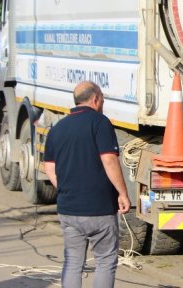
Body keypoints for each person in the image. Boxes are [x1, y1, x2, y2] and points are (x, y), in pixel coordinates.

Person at [43, 81, 131, 288]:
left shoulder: (58, 128)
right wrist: (123, 193)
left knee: (73, 262)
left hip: (69, 209)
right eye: (102, 97)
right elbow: (109, 159)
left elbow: (49, 166)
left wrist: (65, 188)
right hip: (99, 209)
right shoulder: (100, 122)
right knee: (105, 261)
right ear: (95, 99)